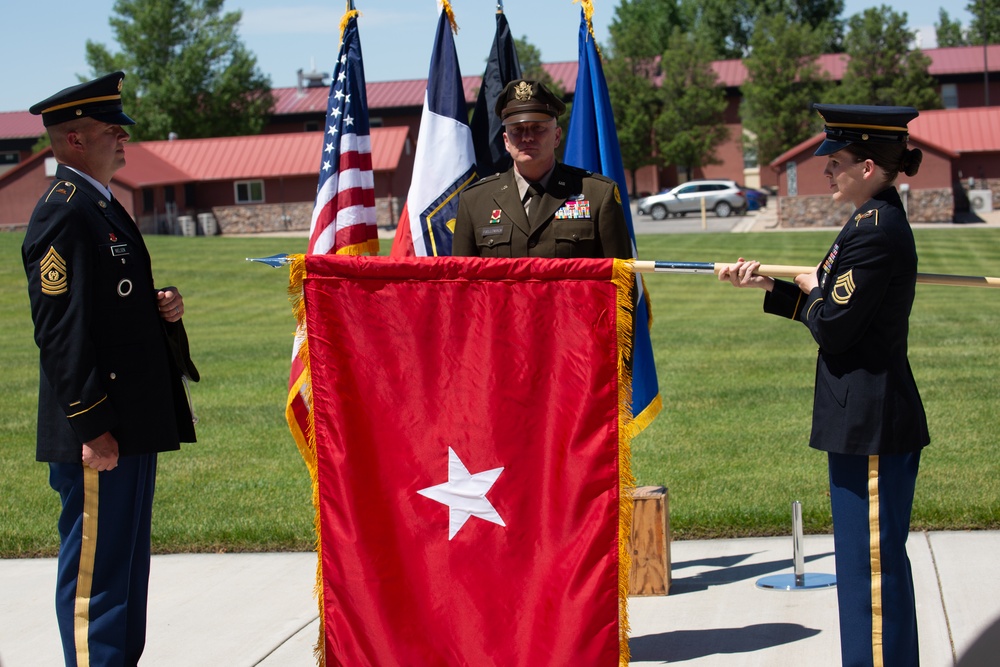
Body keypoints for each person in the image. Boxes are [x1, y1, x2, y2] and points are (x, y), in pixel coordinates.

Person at [718, 103, 929, 667]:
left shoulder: (875, 231)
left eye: (835, 162)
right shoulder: (865, 220)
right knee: (868, 567)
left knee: (870, 576)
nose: (826, 172)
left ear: (866, 166)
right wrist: (771, 285)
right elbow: (834, 314)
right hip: (860, 419)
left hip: (872, 424)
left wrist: (813, 291)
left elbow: (833, 329)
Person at [22, 72, 199, 667]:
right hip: (101, 429)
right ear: (75, 139)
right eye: (111, 131)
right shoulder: (63, 212)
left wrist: (160, 310)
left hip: (130, 422)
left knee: (124, 565)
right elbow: (60, 330)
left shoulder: (98, 202)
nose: (123, 141)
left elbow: (106, 308)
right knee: (97, 575)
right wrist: (91, 425)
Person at [452, 79, 631, 259]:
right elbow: (462, 282)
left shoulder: (598, 194)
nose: (527, 137)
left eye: (538, 128)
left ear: (556, 136)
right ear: (506, 141)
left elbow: (619, 281)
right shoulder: (474, 201)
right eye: (517, 129)